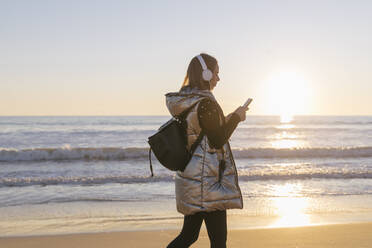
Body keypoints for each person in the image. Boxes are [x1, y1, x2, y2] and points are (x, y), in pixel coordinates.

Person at [165, 53, 248, 248]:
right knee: (218, 241)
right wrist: (237, 117)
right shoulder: (205, 103)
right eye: (217, 73)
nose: (219, 78)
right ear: (206, 73)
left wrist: (225, 120)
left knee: (189, 235)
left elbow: (204, 132)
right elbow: (217, 140)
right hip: (207, 180)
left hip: (192, 176)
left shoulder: (188, 100)